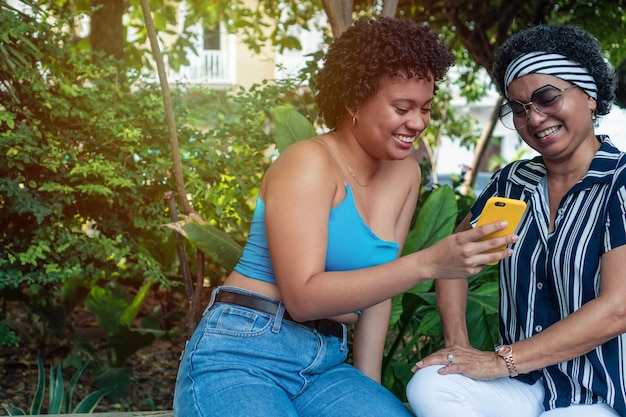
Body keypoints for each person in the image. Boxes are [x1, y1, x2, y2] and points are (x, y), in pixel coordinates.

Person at [173, 17, 517, 417]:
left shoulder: (405, 173)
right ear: (354, 102)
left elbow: (377, 296)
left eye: (425, 108)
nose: (418, 122)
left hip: (325, 364)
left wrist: (367, 393)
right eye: (402, 108)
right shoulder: (307, 163)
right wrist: (427, 263)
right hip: (244, 350)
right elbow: (302, 298)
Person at [406, 24, 626, 417]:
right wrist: (460, 347)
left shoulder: (619, 182)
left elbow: (617, 308)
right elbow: (452, 263)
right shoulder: (512, 184)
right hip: (523, 385)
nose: (535, 118)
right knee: (431, 383)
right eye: (520, 109)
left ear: (590, 95)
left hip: (601, 393)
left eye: (546, 98)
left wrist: (498, 361)